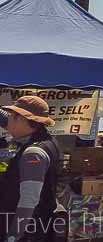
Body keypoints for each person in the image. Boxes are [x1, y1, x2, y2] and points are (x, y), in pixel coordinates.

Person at [0, 96, 65, 241]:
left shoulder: (33, 153)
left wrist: (13, 236)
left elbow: (29, 201)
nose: (8, 120)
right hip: (39, 225)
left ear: (22, 119)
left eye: (11, 116)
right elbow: (5, 120)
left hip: (28, 232)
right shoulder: (46, 139)